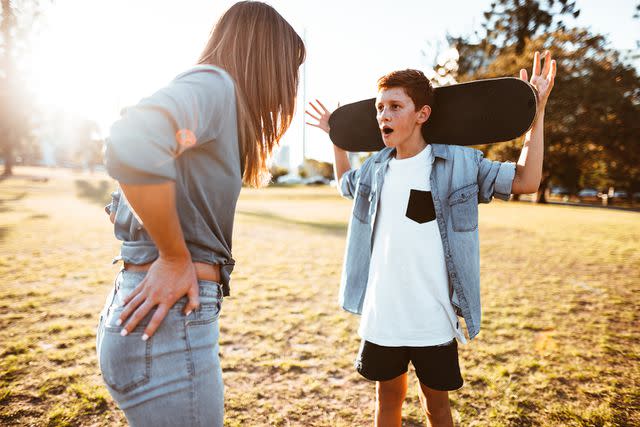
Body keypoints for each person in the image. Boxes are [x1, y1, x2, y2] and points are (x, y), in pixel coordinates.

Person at [306, 52, 556, 426]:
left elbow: (525, 181)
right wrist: (336, 140)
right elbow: (345, 185)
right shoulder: (375, 168)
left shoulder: (460, 164)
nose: (383, 116)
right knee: (387, 400)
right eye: (379, 108)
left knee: (436, 406)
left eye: (394, 106)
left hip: (433, 319)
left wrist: (536, 116)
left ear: (421, 114)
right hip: (383, 315)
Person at [96, 2, 305, 426]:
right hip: (168, 325)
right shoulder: (215, 84)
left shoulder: (219, 98)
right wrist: (173, 256)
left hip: (161, 319)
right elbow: (132, 140)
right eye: (290, 67)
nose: (291, 83)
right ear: (267, 60)